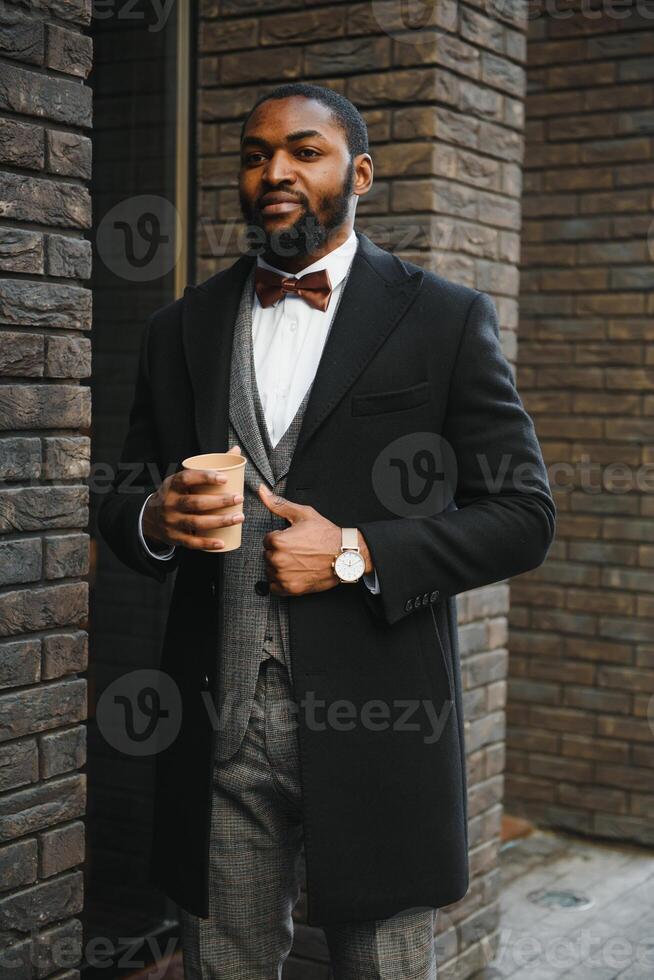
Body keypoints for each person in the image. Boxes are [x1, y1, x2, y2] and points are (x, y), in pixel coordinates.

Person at [98, 81, 556, 979]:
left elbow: (524, 516)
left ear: (362, 172)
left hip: (382, 725)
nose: (276, 172)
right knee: (224, 964)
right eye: (256, 153)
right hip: (218, 722)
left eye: (305, 152)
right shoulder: (178, 328)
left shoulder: (444, 318)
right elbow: (121, 500)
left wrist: (358, 551)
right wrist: (154, 516)